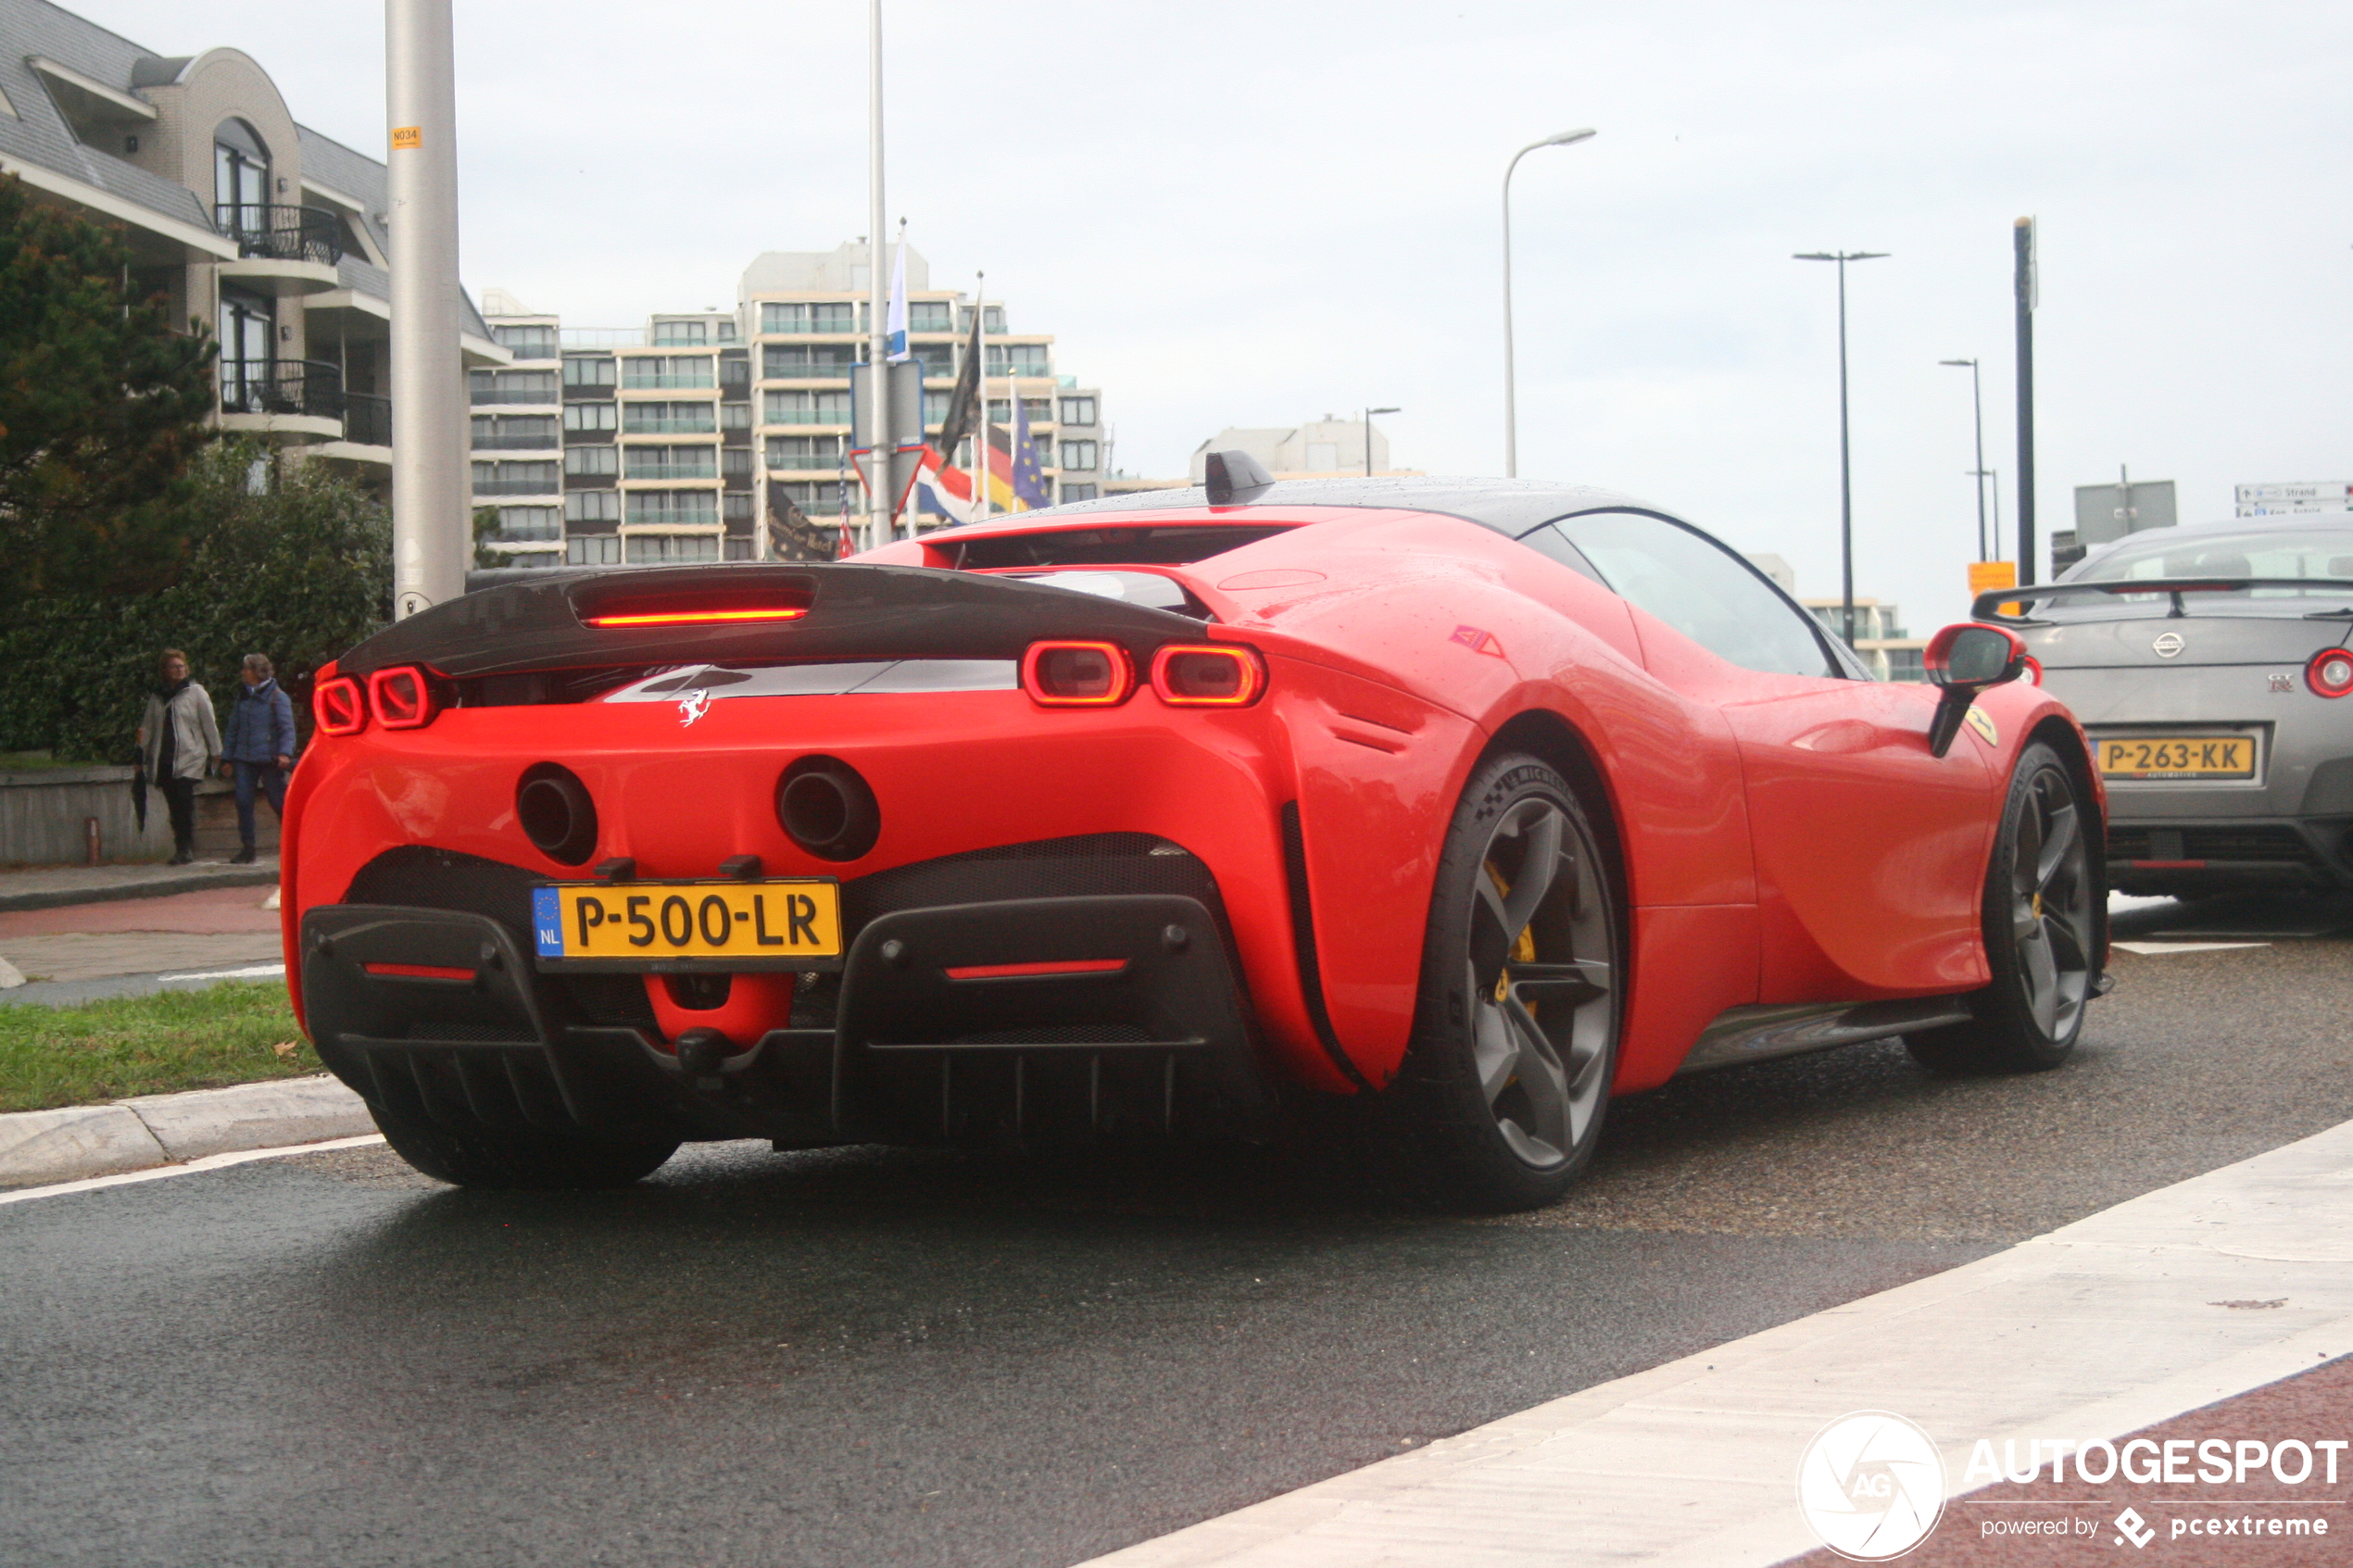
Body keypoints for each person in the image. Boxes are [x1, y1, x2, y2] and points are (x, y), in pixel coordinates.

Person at [135, 649, 221, 865]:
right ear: (165, 670)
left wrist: (217, 752)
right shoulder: (157, 696)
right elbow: (147, 727)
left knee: (184, 802)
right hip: (164, 758)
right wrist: (140, 753)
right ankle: (180, 846)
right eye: (174, 666)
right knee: (173, 805)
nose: (180, 670)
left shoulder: (196, 692)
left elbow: (209, 724)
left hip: (189, 756)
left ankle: (186, 848)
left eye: (182, 666)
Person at [220, 652, 296, 865]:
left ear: (255, 671)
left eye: (246, 668)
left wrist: (284, 753)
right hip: (244, 758)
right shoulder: (243, 696)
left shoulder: (277, 697)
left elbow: (287, 728)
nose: (242, 672)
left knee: (279, 802)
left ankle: (293, 846)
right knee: (243, 802)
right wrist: (227, 758)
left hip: (270, 760)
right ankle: (248, 848)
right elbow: (233, 728)